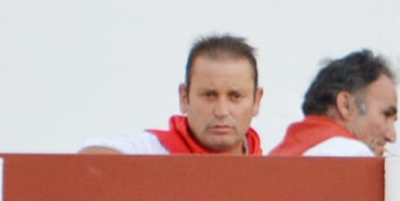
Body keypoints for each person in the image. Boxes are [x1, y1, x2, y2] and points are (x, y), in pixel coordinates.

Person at [80, 35, 264, 156]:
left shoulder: (273, 167)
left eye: (235, 96)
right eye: (209, 95)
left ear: (256, 101)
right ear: (184, 98)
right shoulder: (153, 151)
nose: (222, 111)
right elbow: (89, 160)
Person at [269, 49, 399, 156]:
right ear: (346, 105)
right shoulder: (354, 155)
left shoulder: (274, 157)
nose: (392, 136)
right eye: (386, 115)